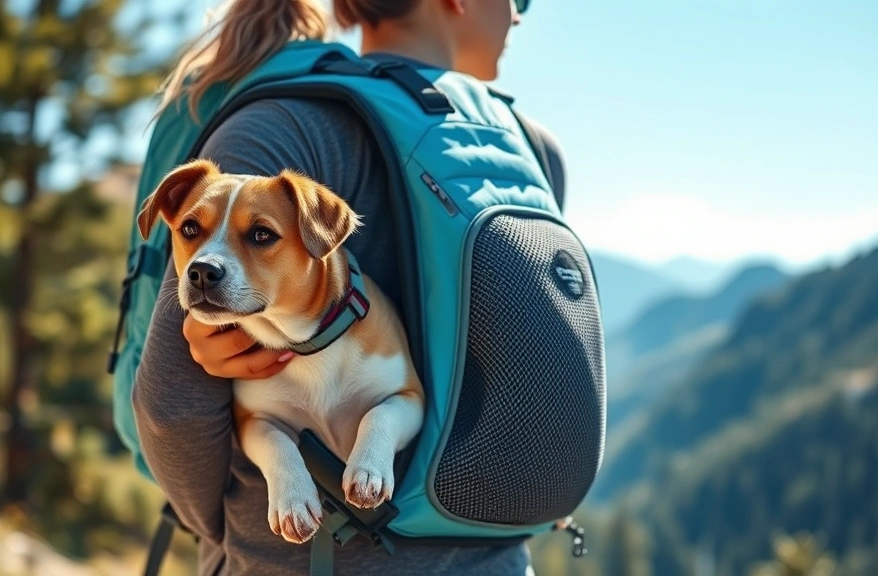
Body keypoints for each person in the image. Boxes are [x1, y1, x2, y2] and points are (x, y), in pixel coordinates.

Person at [131, 0, 567, 574]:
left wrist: (223, 536)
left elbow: (169, 407)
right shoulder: (532, 149)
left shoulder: (288, 122)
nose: (518, 16)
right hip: (496, 556)